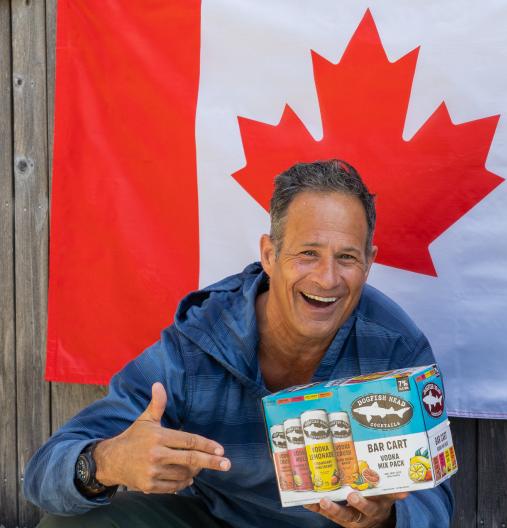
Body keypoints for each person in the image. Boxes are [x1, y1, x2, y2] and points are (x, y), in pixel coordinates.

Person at [24, 160, 453, 527]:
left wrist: (386, 519)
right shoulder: (196, 347)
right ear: (269, 255)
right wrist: (107, 462)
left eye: (346, 257)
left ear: (369, 262)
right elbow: (43, 473)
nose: (327, 279)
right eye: (307, 254)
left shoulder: (396, 349)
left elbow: (436, 504)